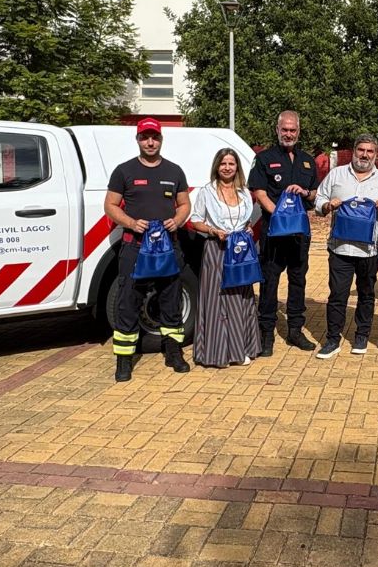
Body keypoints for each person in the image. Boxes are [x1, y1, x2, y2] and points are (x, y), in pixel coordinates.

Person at [102, 118, 191, 381]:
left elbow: (184, 203)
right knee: (128, 303)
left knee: (170, 300)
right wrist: (130, 223)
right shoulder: (124, 171)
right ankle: (124, 360)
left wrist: (177, 219)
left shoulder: (174, 171)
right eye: (145, 137)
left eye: (154, 137)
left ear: (161, 139)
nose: (150, 142)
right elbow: (110, 205)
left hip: (167, 248)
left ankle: (173, 352)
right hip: (135, 249)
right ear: (138, 139)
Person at [313, 133, 378, 358]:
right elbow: (318, 200)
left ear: (376, 155)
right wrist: (327, 205)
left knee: (366, 293)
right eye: (361, 150)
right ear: (353, 151)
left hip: (370, 250)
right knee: (337, 295)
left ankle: (361, 336)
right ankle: (332, 339)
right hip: (340, 248)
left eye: (370, 151)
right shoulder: (336, 174)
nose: (365, 155)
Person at [248, 110, 318, 356]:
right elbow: (259, 192)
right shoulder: (264, 158)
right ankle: (266, 334)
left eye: (293, 130)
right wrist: (279, 216)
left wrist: (305, 192)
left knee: (298, 281)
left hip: (299, 235)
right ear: (277, 130)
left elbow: (314, 195)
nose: (288, 134)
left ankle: (295, 331)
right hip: (274, 234)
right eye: (284, 129)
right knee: (269, 282)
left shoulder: (308, 161)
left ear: (298, 132)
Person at [189, 147, 261, 369]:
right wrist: (213, 231)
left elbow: (244, 220)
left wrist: (248, 228)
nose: (227, 168)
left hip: (239, 251)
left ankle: (242, 348)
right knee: (218, 300)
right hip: (217, 249)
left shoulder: (243, 192)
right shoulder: (207, 192)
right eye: (223, 163)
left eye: (231, 163)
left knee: (241, 297)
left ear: (237, 167)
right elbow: (195, 220)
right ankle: (220, 353)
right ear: (216, 167)